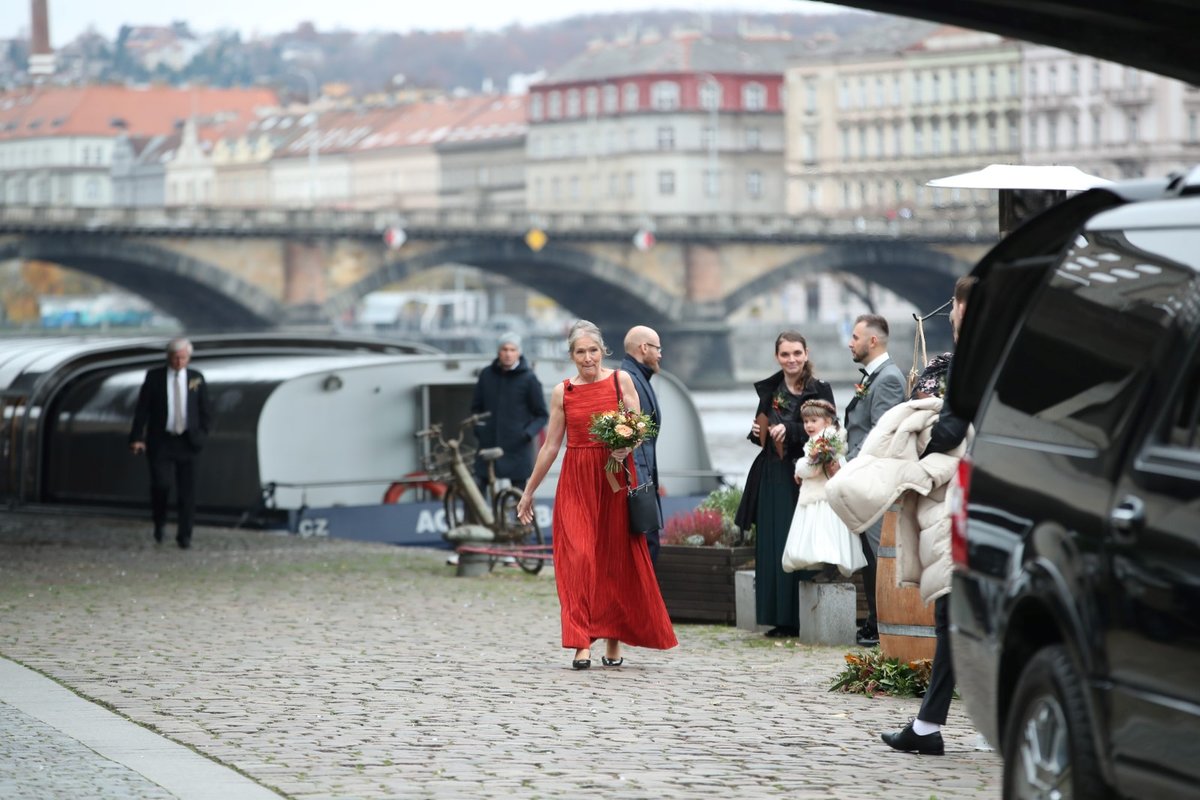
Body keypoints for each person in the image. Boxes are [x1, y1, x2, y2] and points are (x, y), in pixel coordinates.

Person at [516, 320, 677, 670]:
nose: (587, 358)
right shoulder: (563, 392)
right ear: (571, 355)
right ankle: (580, 641)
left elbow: (640, 428)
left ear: (602, 351)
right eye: (580, 352)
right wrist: (529, 491)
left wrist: (625, 446)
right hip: (576, 480)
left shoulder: (622, 381)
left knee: (613, 559)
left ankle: (613, 639)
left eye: (592, 351)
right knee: (578, 559)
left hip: (615, 478)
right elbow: (550, 447)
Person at [881, 275, 976, 756]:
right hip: (994, 494)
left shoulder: (971, 361)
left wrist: (917, 446)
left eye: (959, 306)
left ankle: (927, 727)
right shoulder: (1006, 359)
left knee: (953, 615)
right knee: (960, 615)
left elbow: (951, 429)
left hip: (964, 498)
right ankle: (929, 725)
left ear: (960, 310)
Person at [733, 331, 834, 638]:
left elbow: (830, 433)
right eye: (785, 354)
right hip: (771, 476)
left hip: (804, 476)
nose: (791, 360)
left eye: (796, 354)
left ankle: (800, 617)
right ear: (777, 357)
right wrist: (757, 431)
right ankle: (777, 617)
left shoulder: (820, 389)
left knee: (799, 541)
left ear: (806, 354)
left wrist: (789, 430)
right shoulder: (771, 389)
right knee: (772, 544)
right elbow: (760, 434)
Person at [844, 313, 906, 646]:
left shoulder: (889, 379)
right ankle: (875, 620)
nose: (850, 342)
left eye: (855, 337)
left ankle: (882, 622)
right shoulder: (875, 377)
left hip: (873, 481)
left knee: (878, 554)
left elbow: (882, 436)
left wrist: (853, 466)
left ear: (873, 341)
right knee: (869, 557)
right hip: (861, 479)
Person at [128, 338, 213, 549]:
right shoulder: (154, 377)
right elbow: (142, 410)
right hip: (161, 441)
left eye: (183, 357)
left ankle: (185, 535)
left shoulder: (196, 378)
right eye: (175, 357)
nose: (178, 361)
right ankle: (160, 523)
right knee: (161, 485)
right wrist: (137, 437)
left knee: (188, 491)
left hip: (188, 441)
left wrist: (202, 435)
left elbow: (206, 410)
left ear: (189, 357)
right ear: (168, 357)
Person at [781, 399, 866, 578]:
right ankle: (826, 568)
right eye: (805, 421)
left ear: (827, 421)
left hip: (824, 497)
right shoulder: (822, 438)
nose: (808, 425)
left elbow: (812, 468)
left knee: (826, 534)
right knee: (820, 535)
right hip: (818, 493)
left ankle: (830, 569)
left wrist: (799, 467)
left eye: (814, 421)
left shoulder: (826, 440)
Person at [469, 332, 549, 492]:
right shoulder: (486, 375)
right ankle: (474, 518)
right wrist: (480, 430)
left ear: (519, 352)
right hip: (488, 445)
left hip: (517, 449)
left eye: (512, 349)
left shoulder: (529, 379)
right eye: (504, 349)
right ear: (499, 352)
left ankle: (526, 518)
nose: (508, 354)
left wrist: (526, 434)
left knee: (521, 497)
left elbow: (542, 414)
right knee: (476, 488)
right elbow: (476, 408)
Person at [619, 325, 664, 563]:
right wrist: (640, 486)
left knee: (648, 547)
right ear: (644, 348)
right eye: (657, 348)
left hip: (644, 479)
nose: (660, 354)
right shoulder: (629, 380)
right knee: (648, 547)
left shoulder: (638, 377)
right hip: (638, 483)